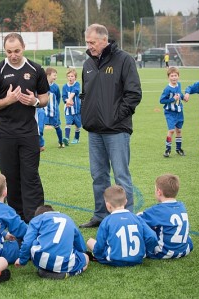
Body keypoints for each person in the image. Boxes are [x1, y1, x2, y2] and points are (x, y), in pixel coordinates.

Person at [79, 23, 142, 228]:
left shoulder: (124, 60)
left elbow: (133, 94)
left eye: (92, 42)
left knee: (121, 175)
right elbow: (85, 94)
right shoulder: (87, 64)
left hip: (116, 130)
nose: (89, 46)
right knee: (98, 175)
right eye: (87, 42)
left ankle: (127, 217)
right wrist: (86, 115)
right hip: (94, 130)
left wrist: (116, 117)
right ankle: (101, 215)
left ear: (104, 40)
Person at [0, 33, 49, 223]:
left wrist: (35, 101)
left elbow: (45, 97)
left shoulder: (36, 69)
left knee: (31, 176)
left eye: (17, 51)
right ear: (5, 51)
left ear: (24, 48)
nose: (13, 55)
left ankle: (35, 219)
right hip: (5, 133)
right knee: (10, 178)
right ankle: (16, 220)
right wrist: (8, 100)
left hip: (29, 132)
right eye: (9, 51)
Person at [86, 185, 158, 267]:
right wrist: (147, 252)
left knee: (90, 241)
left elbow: (100, 245)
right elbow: (152, 237)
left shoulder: (106, 221)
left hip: (114, 261)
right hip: (137, 259)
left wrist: (99, 257)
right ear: (126, 201)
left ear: (108, 205)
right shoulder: (137, 218)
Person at [15, 205, 89, 279]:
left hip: (40, 259)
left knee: (35, 241)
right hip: (64, 261)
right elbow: (80, 243)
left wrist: (22, 260)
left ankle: (45, 269)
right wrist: (82, 253)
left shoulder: (37, 219)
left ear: (38, 215)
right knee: (86, 258)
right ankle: (69, 273)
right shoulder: (68, 219)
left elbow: (27, 242)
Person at [137, 174, 193, 259]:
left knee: (142, 227)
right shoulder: (182, 206)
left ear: (159, 192)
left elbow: (137, 218)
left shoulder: (158, 210)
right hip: (185, 249)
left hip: (163, 252)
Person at [160, 66, 185, 157]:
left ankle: (178, 149)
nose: (174, 77)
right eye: (172, 76)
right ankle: (168, 149)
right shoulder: (167, 89)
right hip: (170, 112)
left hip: (179, 112)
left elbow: (180, 94)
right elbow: (162, 101)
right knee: (171, 130)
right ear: (168, 77)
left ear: (178, 76)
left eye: (175, 75)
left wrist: (183, 97)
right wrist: (172, 99)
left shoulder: (179, 85)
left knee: (178, 130)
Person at [43, 67, 64, 148]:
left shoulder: (55, 87)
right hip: (44, 111)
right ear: (48, 75)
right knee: (40, 127)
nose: (56, 77)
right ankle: (40, 144)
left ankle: (61, 142)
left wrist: (56, 107)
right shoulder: (42, 85)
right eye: (54, 75)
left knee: (57, 126)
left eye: (56, 75)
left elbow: (58, 97)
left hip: (54, 112)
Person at [62, 68, 82, 145]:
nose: (70, 78)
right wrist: (67, 101)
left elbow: (74, 91)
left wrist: (70, 99)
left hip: (77, 110)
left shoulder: (77, 84)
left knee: (78, 125)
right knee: (68, 123)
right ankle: (66, 138)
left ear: (75, 77)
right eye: (69, 76)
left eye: (72, 76)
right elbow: (63, 96)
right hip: (68, 110)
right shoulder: (64, 87)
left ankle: (76, 138)